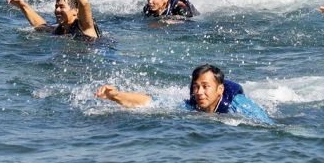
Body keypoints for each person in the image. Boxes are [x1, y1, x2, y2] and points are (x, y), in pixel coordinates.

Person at [95, 64, 271, 123]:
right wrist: (115, 95)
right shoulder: (191, 106)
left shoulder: (238, 104)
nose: (199, 92)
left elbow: (266, 124)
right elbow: (149, 101)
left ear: (220, 90)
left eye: (205, 86)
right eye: (195, 87)